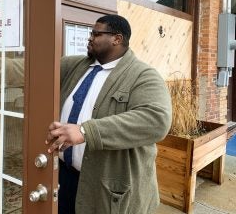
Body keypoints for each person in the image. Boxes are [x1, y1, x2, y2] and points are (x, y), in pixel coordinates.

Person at [46, 14, 172, 214]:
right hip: (65, 177)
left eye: (96, 34)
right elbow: (38, 71)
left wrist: (86, 131)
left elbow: (157, 120)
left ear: (117, 39)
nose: (90, 38)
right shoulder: (77, 65)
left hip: (108, 189)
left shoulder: (143, 75)